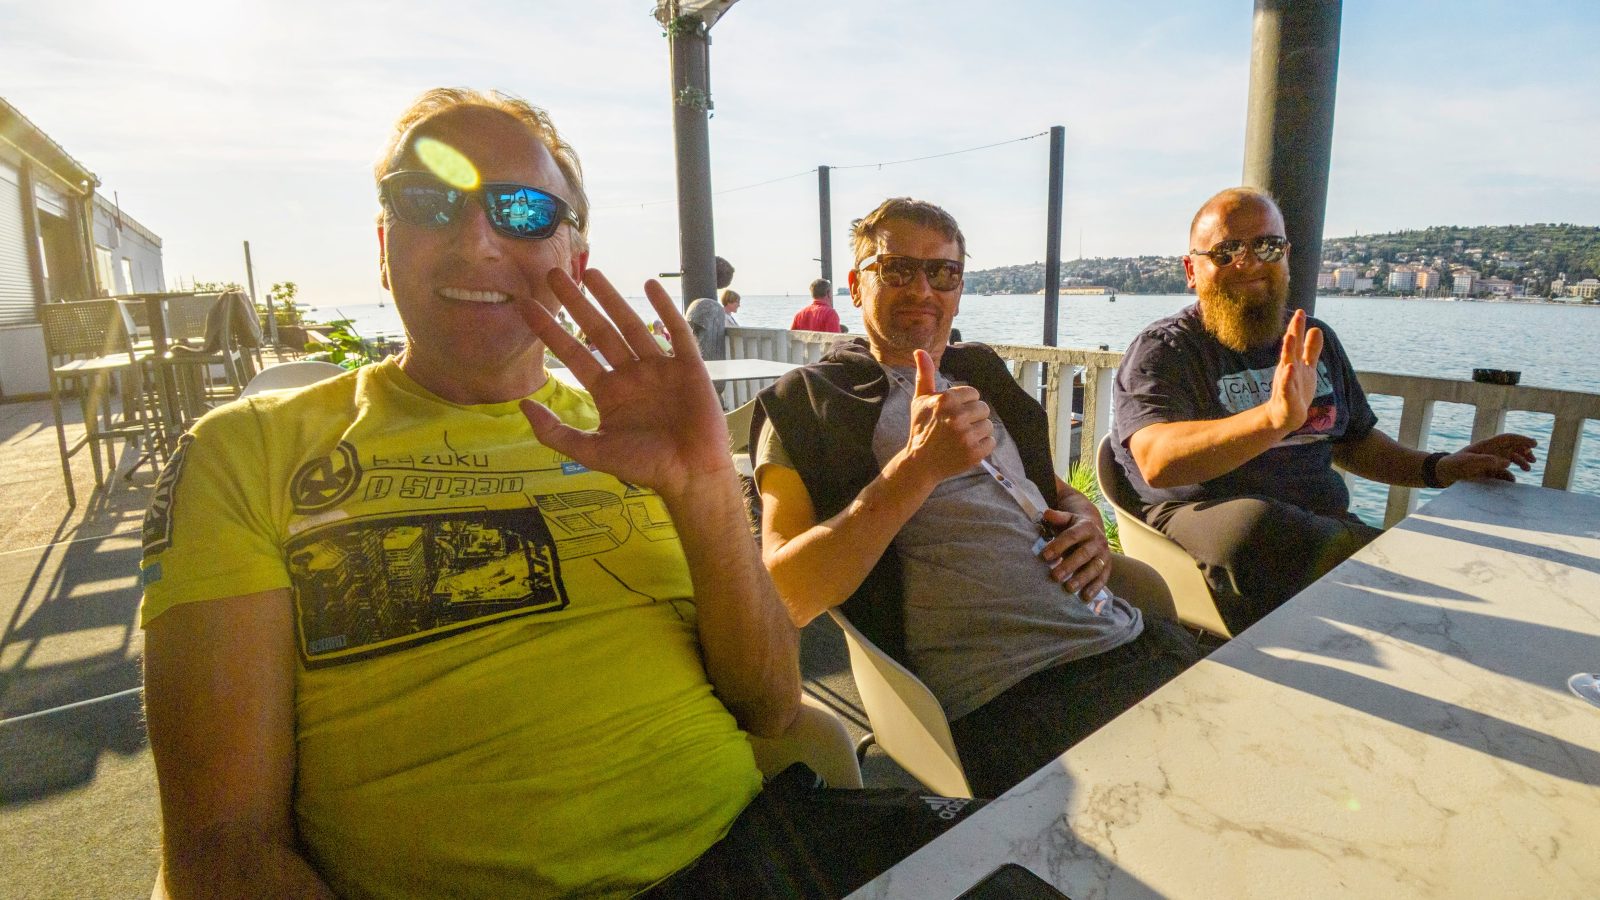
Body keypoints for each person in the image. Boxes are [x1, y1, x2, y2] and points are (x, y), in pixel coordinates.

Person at [140, 90, 975, 900]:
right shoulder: (246, 451)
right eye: (429, 200)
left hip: (752, 851)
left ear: (574, 259)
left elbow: (767, 703)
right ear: (384, 242)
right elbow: (222, 853)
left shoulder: (641, 434)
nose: (475, 240)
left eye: (523, 211)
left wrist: (701, 490)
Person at [754, 197, 1200, 797]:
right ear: (856, 287)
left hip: (1121, 636)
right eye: (896, 269)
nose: (922, 288)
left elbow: (1052, 491)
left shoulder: (981, 374)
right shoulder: (808, 402)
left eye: (943, 273)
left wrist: (1087, 520)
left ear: (959, 291)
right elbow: (785, 591)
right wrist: (916, 468)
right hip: (1015, 693)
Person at [1113, 186, 1537, 634]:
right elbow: (1158, 461)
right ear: (1191, 270)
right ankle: (1418, 577)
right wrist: (1271, 419)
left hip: (1320, 527)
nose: (1249, 262)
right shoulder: (1165, 350)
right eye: (1227, 251)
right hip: (1205, 520)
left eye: (1267, 246)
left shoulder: (1313, 340)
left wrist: (1442, 468)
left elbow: (1355, 442)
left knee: (1319, 546)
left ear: (1286, 256)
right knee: (1258, 527)